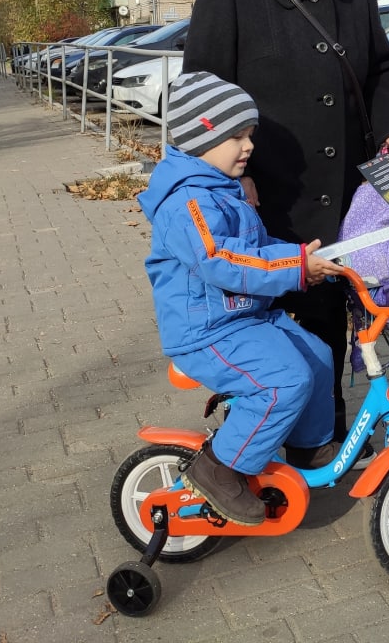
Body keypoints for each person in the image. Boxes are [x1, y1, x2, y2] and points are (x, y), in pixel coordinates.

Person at [182, 0, 389, 455]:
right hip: (263, 190)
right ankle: (249, 444)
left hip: (340, 191)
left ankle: (319, 439)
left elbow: (383, 69)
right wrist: (234, 178)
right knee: (265, 319)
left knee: (329, 314)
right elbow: (202, 89)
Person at [139, 71, 344, 525]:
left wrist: (303, 260)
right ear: (201, 135)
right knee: (283, 380)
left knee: (318, 355)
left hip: (243, 318)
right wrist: (294, 269)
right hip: (206, 331)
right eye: (236, 136)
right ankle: (219, 469)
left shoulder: (222, 191)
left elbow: (254, 249)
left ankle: (309, 447)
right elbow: (222, 261)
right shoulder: (187, 203)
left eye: (249, 134)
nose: (248, 146)